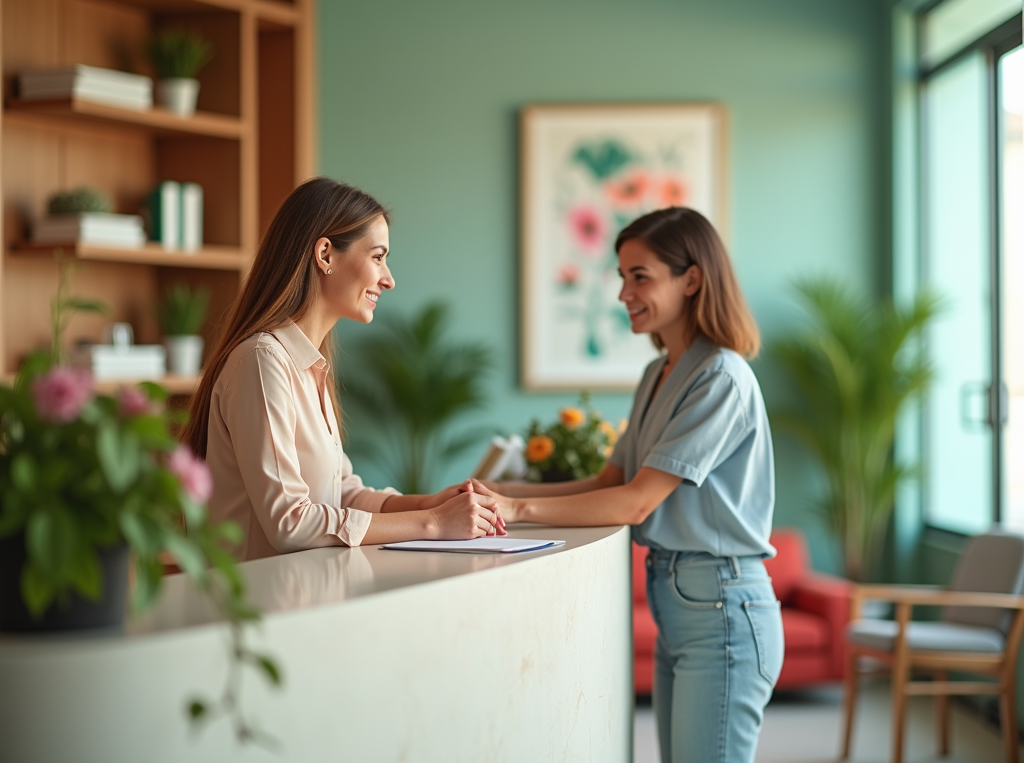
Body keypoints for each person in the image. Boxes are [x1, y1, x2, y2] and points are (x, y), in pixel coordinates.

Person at [475, 207, 783, 763]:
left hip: (721, 607)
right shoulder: (658, 373)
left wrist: (514, 509)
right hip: (680, 601)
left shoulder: (720, 377)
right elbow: (609, 480)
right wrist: (494, 495)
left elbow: (638, 501)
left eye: (640, 276)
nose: (624, 293)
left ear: (691, 279)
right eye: (622, 277)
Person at [182, 177, 504, 560]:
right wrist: (433, 523)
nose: (389, 279)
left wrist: (427, 504)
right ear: (325, 255)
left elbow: (343, 493)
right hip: (261, 609)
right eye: (378, 257)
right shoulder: (262, 361)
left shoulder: (309, 366)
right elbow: (290, 523)